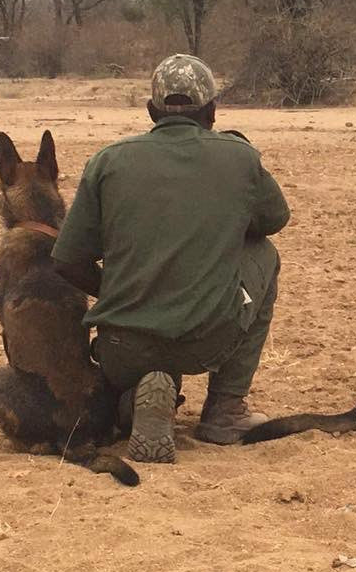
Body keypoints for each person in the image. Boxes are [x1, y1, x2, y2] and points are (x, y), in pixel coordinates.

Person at [52, 54, 290, 463]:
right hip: (205, 342)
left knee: (137, 337)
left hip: (120, 349)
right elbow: (274, 220)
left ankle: (136, 399)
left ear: (150, 111)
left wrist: (120, 288)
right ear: (212, 111)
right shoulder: (238, 157)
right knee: (264, 254)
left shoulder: (108, 160)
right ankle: (224, 410)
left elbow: (67, 261)